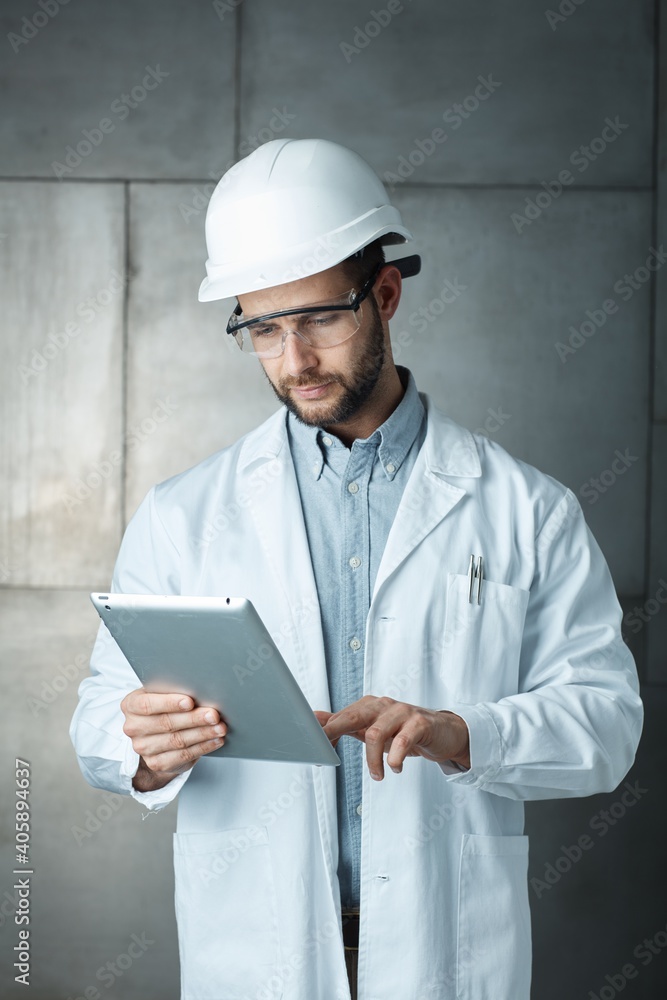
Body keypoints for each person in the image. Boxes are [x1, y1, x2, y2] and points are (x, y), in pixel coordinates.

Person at [70, 137, 643, 1000]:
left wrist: (462, 733)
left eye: (318, 320)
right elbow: (99, 722)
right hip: (254, 954)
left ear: (384, 294)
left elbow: (604, 725)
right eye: (263, 329)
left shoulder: (528, 509)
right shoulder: (182, 514)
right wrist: (144, 748)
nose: (294, 361)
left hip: (446, 953)